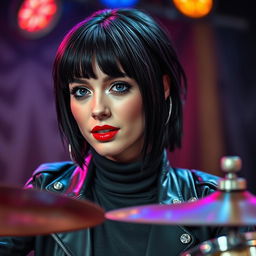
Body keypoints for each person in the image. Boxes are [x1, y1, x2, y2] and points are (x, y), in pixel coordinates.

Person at [0, 8, 232, 256]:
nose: (98, 109)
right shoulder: (46, 190)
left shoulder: (213, 202)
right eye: (81, 91)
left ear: (162, 87)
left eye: (118, 87)